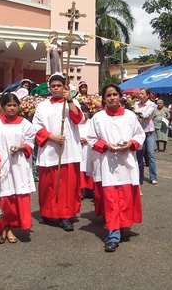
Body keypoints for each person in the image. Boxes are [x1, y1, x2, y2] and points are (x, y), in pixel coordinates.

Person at [87, 84, 145, 252]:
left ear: (120, 97)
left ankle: (121, 226)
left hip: (126, 163)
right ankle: (113, 234)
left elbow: (139, 134)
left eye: (114, 94)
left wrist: (131, 144)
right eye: (108, 95)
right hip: (108, 164)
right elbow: (91, 138)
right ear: (104, 99)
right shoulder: (98, 118)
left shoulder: (130, 116)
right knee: (111, 200)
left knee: (125, 198)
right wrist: (105, 145)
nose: (112, 98)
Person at [32, 73, 84, 231]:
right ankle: (48, 212)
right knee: (49, 184)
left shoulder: (71, 103)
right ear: (49, 88)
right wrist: (51, 136)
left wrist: (70, 101)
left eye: (59, 86)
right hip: (49, 149)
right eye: (53, 86)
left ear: (64, 87)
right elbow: (35, 126)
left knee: (67, 186)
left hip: (68, 151)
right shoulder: (42, 106)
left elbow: (78, 119)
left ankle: (66, 216)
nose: (56, 89)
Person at [0, 93, 36, 244]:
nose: (12, 108)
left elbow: (30, 141)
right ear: (3, 106)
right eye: (9, 105)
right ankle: (2, 227)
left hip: (19, 165)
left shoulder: (25, 123)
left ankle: (12, 228)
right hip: (2, 166)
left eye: (15, 105)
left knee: (16, 197)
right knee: (3, 198)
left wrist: (21, 147)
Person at [135, 88, 158, 185]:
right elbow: (134, 115)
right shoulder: (136, 104)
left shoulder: (152, 105)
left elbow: (146, 115)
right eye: (139, 93)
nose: (140, 95)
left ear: (147, 95)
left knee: (150, 154)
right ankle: (139, 175)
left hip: (149, 131)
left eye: (142, 94)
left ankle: (153, 177)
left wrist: (136, 114)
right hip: (139, 132)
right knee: (138, 154)